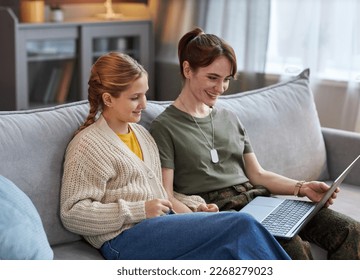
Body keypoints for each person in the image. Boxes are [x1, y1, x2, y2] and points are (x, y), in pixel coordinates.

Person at [149, 28, 360, 260]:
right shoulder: (164, 127)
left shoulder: (229, 118)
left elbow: (258, 174)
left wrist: (303, 187)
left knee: (348, 229)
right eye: (212, 77)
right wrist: (204, 219)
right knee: (293, 248)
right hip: (224, 212)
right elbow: (166, 195)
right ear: (187, 69)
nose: (220, 88)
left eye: (226, 80)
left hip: (259, 201)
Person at [60, 52, 290, 260]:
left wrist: (195, 207)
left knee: (228, 253)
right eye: (134, 97)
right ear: (108, 99)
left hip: (161, 225)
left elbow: (157, 192)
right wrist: (140, 210)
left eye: (145, 95)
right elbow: (72, 213)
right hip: (123, 240)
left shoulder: (141, 134)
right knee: (241, 222)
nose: (144, 104)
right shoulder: (87, 145)